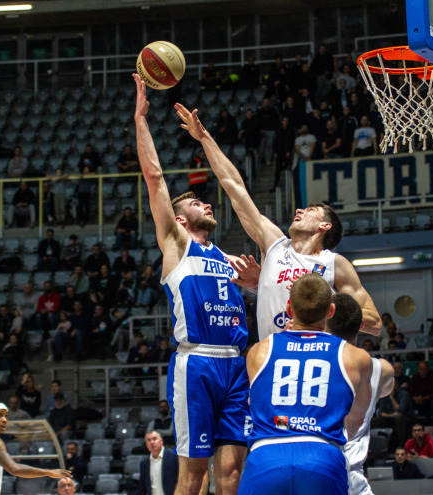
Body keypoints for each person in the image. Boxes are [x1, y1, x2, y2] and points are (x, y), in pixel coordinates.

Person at [173, 97, 381, 341]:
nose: (299, 211)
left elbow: (374, 324)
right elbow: (234, 187)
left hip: (317, 357)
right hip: (274, 358)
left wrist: (321, 302)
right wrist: (204, 137)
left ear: (325, 226)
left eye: (310, 210)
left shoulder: (335, 263)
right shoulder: (275, 244)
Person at [134, 74, 249, 495]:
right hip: (196, 363)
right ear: (181, 219)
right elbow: (154, 177)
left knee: (232, 473)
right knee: (193, 474)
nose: (208, 203)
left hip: (235, 364)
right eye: (198, 203)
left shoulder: (227, 258)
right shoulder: (177, 245)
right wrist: (141, 119)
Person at [237, 274, 373, 495]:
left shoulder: (259, 352)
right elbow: (357, 420)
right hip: (322, 457)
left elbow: (255, 404)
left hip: (266, 456)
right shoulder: (355, 358)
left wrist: (286, 422)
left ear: (289, 309)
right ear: (331, 311)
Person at [330, 294, 394, 495]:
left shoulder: (312, 366)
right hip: (353, 475)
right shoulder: (382, 369)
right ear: (361, 325)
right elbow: (387, 390)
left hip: (319, 468)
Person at [135, 430, 179, 495]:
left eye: (154, 439)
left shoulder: (174, 456)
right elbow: (142, 488)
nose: (152, 442)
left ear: (161, 441)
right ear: (146, 444)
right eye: (149, 440)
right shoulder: (144, 463)